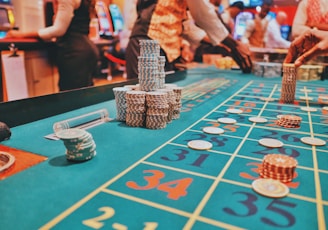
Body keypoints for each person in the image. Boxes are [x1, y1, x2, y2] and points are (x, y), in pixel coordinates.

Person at [125, 0, 252, 79]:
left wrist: (223, 46)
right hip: (146, 43)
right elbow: (203, 14)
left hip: (163, 50)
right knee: (142, 102)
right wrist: (234, 44)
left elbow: (184, 26)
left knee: (158, 106)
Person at [5, 0, 99, 91]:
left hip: (74, 53)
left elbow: (58, 30)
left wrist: (21, 35)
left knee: (70, 98)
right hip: (86, 50)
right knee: (85, 96)